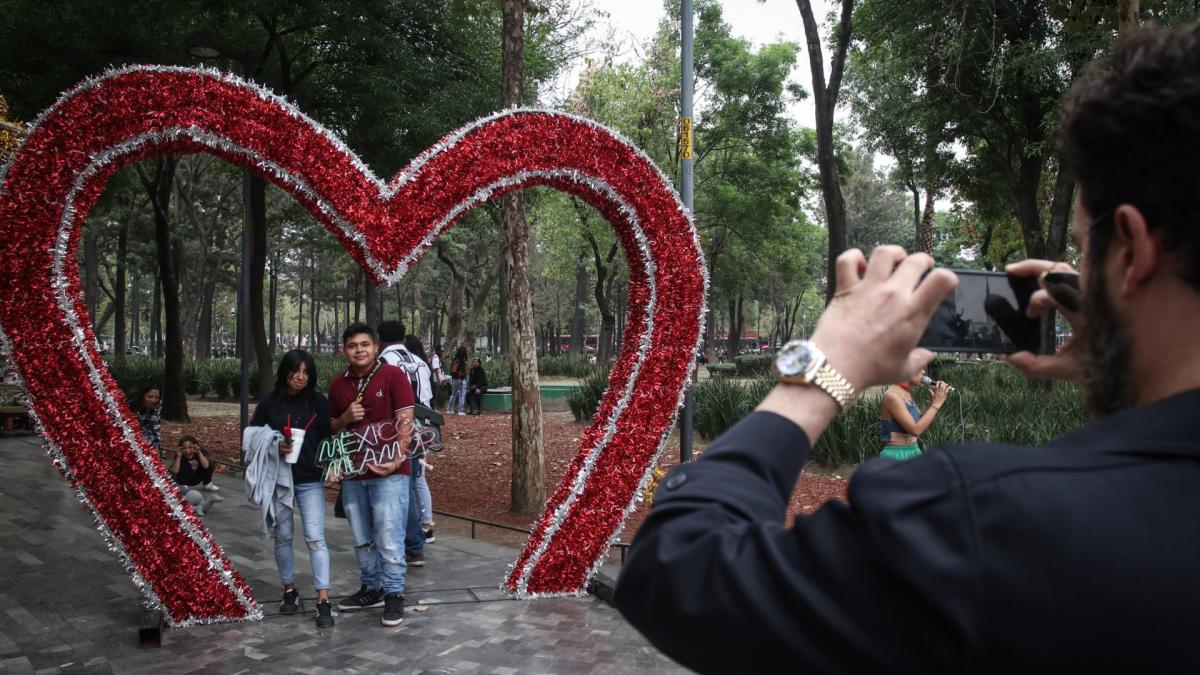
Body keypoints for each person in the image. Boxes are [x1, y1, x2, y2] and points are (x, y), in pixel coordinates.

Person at [615, 24, 1200, 673]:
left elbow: (677, 569)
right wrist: (1130, 367)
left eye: (1086, 251)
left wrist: (823, 365)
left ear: (1134, 249)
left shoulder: (989, 524)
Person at [329, 323, 414, 627]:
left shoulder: (392, 375)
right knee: (362, 537)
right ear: (345, 350)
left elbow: (405, 419)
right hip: (355, 473)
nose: (360, 350)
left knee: (389, 537)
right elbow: (332, 428)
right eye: (353, 345)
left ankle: (393, 594)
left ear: (376, 347)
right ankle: (371, 588)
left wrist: (396, 458)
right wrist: (344, 418)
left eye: (365, 344)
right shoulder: (338, 384)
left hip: (390, 473)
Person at [249, 349, 335, 628]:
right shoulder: (270, 403)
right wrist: (275, 444)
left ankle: (323, 598)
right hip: (279, 478)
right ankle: (290, 590)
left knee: (315, 537)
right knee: (283, 536)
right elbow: (252, 436)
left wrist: (333, 465)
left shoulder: (318, 402)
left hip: (310, 478)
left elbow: (329, 434)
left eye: (306, 372)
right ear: (284, 371)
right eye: (295, 371)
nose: (300, 377)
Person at [404, 334, 437, 544]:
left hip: (416, 427)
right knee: (418, 478)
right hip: (425, 426)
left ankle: (425, 524)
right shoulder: (424, 367)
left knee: (417, 478)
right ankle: (424, 523)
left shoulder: (411, 369)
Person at [877, 367, 949, 460]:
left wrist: (933, 403)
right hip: (897, 454)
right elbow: (915, 430)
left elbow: (920, 421)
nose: (923, 371)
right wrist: (936, 404)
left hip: (914, 450)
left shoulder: (906, 394)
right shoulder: (892, 396)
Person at [168, 435, 223, 516]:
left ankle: (207, 484)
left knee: (209, 464)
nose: (187, 450)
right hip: (182, 480)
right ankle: (184, 488)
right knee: (177, 469)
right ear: (181, 448)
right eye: (184, 448)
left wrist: (199, 452)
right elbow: (174, 471)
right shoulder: (180, 455)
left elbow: (206, 466)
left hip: (195, 478)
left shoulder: (197, 453)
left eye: (190, 447)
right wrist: (179, 456)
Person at [131, 384, 162, 454]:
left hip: (147, 441)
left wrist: (157, 447)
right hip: (131, 439)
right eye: (149, 397)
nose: (153, 400)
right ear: (142, 395)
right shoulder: (131, 407)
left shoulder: (156, 408)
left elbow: (155, 429)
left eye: (157, 398)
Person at [448, 346, 468, 416]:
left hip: (455, 379)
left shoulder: (455, 360)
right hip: (462, 380)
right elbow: (465, 372)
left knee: (453, 394)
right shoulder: (464, 362)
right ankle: (461, 410)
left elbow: (452, 370)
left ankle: (449, 409)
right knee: (462, 395)